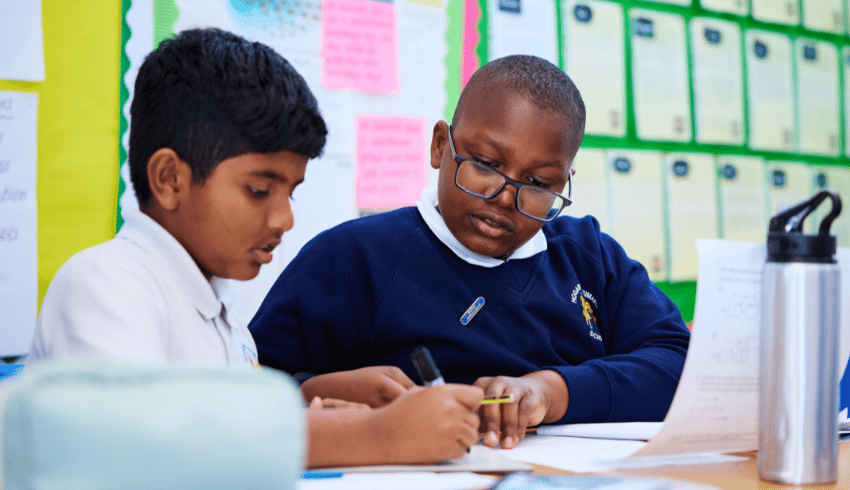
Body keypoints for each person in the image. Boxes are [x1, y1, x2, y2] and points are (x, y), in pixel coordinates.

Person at [27, 27, 483, 467]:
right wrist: (378, 436)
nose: (284, 219)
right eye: (260, 190)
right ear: (169, 179)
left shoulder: (220, 314)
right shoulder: (107, 285)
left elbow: (214, 422)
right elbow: (140, 444)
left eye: (292, 192)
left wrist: (308, 400)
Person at [248, 54, 691, 450]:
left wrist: (551, 392)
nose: (503, 196)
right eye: (485, 164)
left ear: (563, 182)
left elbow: (679, 365)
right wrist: (312, 389)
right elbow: (247, 389)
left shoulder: (589, 258)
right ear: (441, 146)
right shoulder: (352, 258)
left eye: (537, 184)